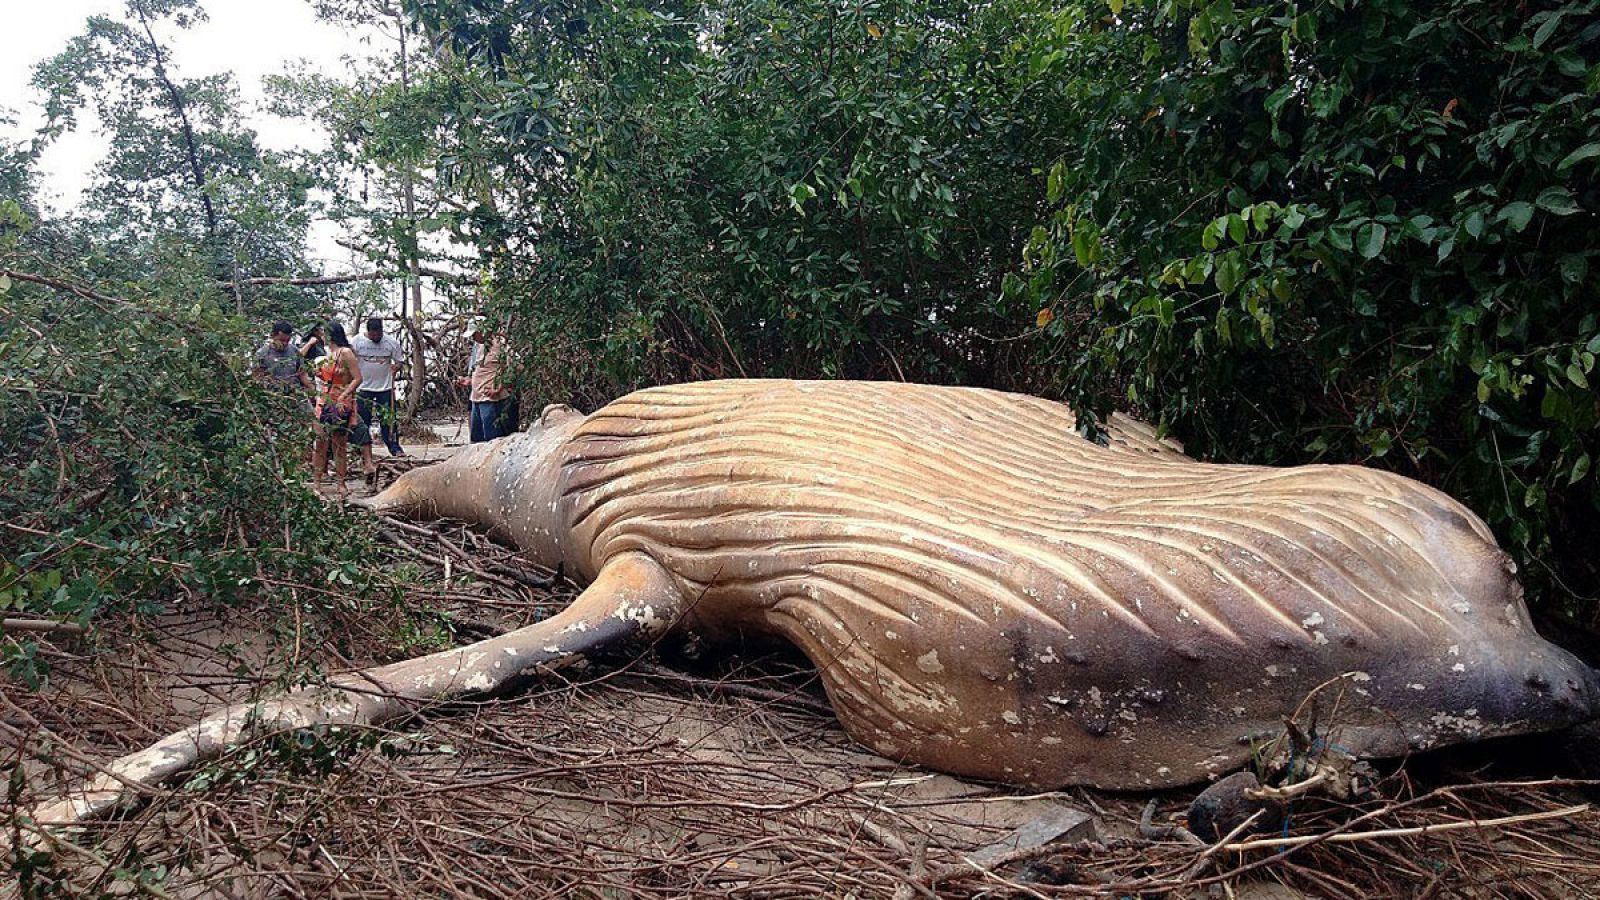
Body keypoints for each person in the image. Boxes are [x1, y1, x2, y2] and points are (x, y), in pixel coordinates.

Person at [311, 322, 376, 498]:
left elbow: (357, 378)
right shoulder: (324, 354)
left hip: (340, 403)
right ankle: (316, 483)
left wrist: (344, 394)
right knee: (320, 445)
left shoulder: (346, 353)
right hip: (323, 401)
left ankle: (341, 483)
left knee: (339, 445)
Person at [351, 316, 406, 457]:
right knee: (362, 420)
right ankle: (359, 450)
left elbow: (399, 361)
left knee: (389, 421)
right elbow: (349, 361)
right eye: (373, 334)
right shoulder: (357, 342)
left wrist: (396, 367)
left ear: (382, 331)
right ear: (367, 332)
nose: (376, 337)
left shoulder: (391, 343)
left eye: (378, 334)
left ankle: (394, 447)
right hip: (363, 388)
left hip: (385, 387)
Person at [458, 320, 520, 442]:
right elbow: (483, 370)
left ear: (483, 331)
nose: (474, 338)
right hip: (476, 398)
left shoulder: (500, 344)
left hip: (491, 400)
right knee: (477, 441)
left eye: (475, 334)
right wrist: (469, 381)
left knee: (493, 440)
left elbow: (517, 367)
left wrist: (499, 387)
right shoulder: (479, 346)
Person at [253, 322, 313, 396]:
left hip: (296, 393)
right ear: (272, 336)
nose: (285, 343)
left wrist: (311, 389)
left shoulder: (294, 350)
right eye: (281, 340)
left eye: (287, 340)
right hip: (274, 396)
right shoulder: (262, 354)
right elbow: (258, 378)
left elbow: (302, 373)